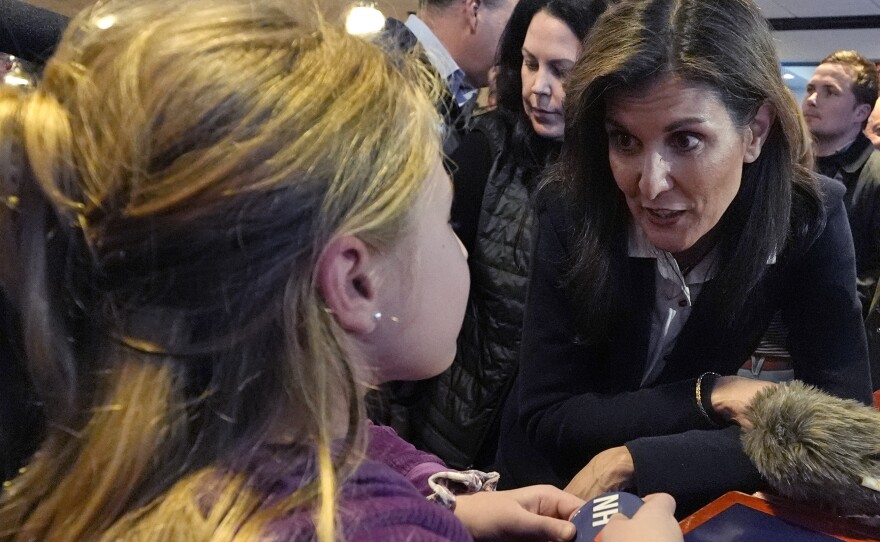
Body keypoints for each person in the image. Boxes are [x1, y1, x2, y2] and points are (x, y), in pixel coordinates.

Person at [0, 0, 599, 539]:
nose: (462, 249)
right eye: (444, 223)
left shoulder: (147, 440)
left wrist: (436, 496)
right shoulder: (376, 530)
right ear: (355, 281)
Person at [494, 0, 873, 517]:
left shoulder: (808, 215)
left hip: (674, 503)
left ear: (755, 131)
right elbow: (547, 412)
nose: (651, 184)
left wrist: (641, 458)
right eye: (625, 139)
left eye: (687, 140)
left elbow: (839, 422)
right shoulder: (571, 204)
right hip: (544, 491)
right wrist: (709, 394)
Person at [390, 0, 606, 471]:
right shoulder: (488, 147)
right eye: (529, 64)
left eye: (561, 71)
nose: (538, 88)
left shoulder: (614, 177)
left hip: (547, 443)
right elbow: (418, 292)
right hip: (450, 427)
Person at [379, 0, 517, 154]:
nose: (517, 45)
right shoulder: (387, 85)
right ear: (474, 12)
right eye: (513, 25)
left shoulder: (400, 74)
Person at [802, 50, 880, 315]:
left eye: (830, 92)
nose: (811, 99)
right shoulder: (786, 166)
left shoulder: (876, 176)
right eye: (811, 89)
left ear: (861, 112)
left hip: (845, 334)